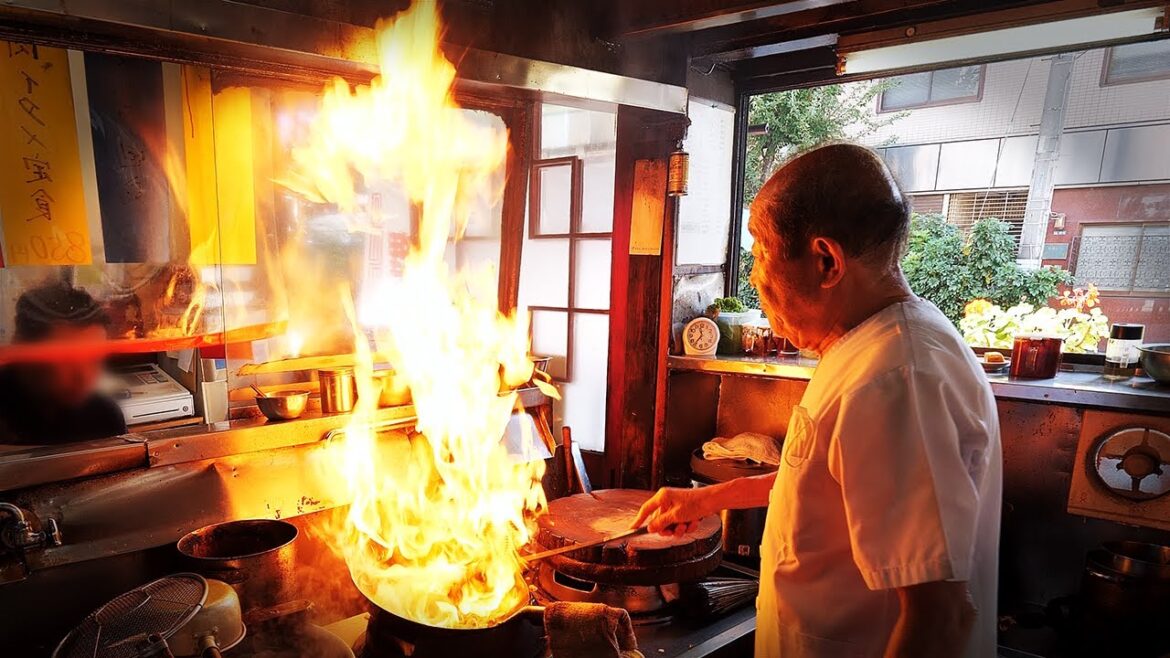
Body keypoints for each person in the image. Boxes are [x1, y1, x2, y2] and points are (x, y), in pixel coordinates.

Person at [635, 143, 1001, 658]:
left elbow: (940, 618)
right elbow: (823, 480)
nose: (756, 277)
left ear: (826, 260)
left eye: (761, 252)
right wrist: (704, 499)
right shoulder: (869, 345)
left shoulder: (896, 378)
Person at [0, 281, 127, 446]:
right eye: (68, 359)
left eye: (94, 359)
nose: (83, 376)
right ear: (23, 348)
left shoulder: (104, 415)